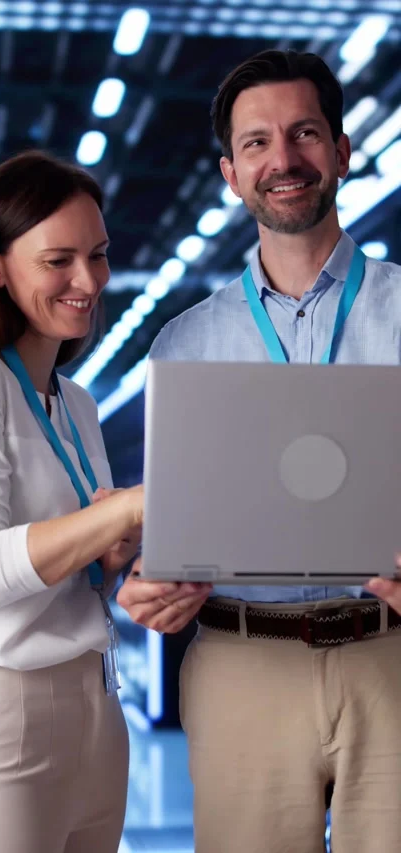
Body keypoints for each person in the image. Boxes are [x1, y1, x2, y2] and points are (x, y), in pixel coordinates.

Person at [117, 50, 401, 853]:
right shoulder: (186, 341)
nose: (283, 159)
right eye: (256, 144)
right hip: (241, 660)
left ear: (343, 152)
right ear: (230, 174)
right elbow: (169, 513)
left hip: (392, 653)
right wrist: (148, 579)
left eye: (305, 133)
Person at [0, 150, 144, 853]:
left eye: (99, 254)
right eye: (59, 260)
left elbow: (74, 573)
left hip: (96, 713)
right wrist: (123, 509)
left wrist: (114, 557)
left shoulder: (75, 402)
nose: (89, 280)